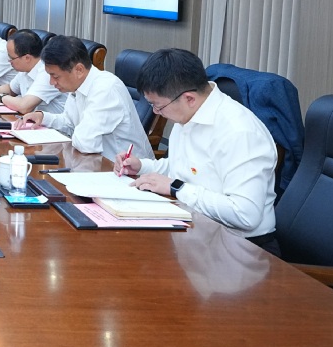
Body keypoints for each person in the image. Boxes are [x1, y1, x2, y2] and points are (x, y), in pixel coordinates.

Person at [119, 48, 279, 254]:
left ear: (189, 98)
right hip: (197, 232)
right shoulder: (188, 114)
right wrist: (142, 167)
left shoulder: (240, 132)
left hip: (242, 249)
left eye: (158, 106)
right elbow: (183, 168)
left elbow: (245, 214)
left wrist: (176, 188)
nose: (157, 113)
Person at [17, 35, 152, 162]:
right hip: (95, 164)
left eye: (55, 76)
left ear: (79, 70)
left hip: (125, 171)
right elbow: (70, 124)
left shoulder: (105, 89)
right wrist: (43, 117)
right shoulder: (78, 86)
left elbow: (86, 143)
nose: (51, 82)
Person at [0, 29, 66, 114]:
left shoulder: (47, 73)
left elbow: (24, 106)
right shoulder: (25, 69)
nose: (9, 61)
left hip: (51, 123)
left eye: (12, 58)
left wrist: (1, 97)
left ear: (27, 58)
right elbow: (11, 89)